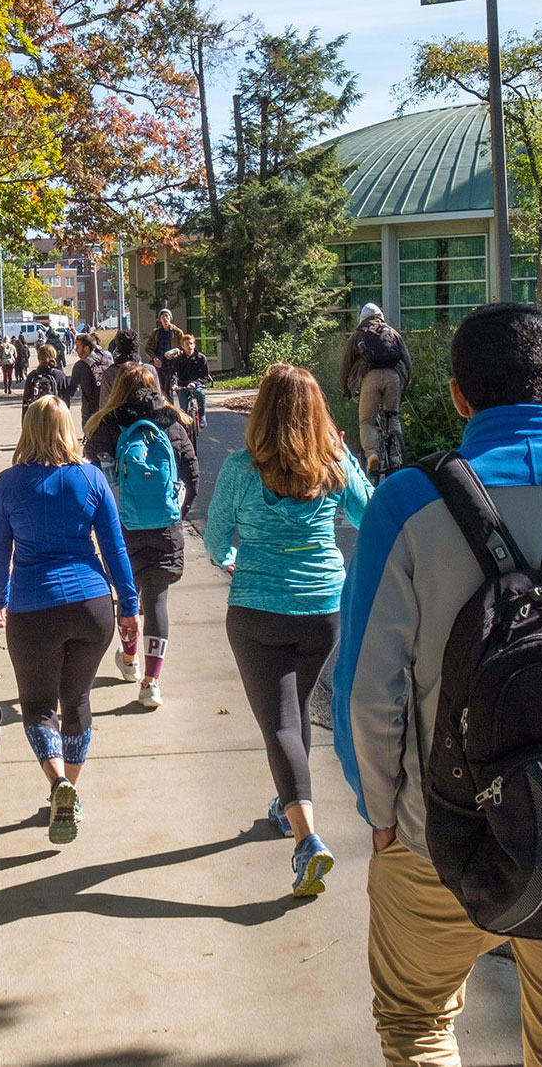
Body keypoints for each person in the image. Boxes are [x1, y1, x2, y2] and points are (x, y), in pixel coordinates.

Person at [333, 304, 542, 1067]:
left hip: (441, 834)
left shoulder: (409, 504)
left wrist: (383, 816)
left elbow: (366, 691)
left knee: (417, 1023)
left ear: (457, 396)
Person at [204, 364, 371, 897]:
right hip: (323, 609)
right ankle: (287, 801)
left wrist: (233, 558)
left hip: (257, 610)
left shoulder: (239, 469)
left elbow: (213, 542)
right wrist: (347, 457)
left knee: (278, 723)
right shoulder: (333, 462)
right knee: (294, 711)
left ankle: (308, 841)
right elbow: (370, 513)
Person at [0, 396, 139, 844]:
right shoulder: (90, 477)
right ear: (68, 428)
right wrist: (129, 605)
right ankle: (71, 787)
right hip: (92, 606)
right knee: (77, 701)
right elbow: (115, 548)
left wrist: (1, 596)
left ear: (27, 429)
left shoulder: (9, 483)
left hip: (34, 608)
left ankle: (58, 785)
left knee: (37, 707)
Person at [84, 365, 198, 708]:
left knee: (127, 595)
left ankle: (130, 659)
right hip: (164, 526)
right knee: (158, 601)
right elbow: (191, 473)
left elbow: (94, 478)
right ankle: (152, 681)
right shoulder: (170, 421)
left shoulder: (105, 426)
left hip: (122, 528)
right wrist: (177, 513)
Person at [340, 303, 413, 476]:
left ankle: (372, 454)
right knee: (392, 416)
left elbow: (345, 366)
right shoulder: (393, 333)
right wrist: (405, 383)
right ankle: (397, 455)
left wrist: (347, 390)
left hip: (370, 377)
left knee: (367, 421)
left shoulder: (358, 334)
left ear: (362, 319)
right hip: (393, 376)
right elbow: (407, 361)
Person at [66, 333, 112, 432]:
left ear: (86, 348)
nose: (75, 349)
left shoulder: (80, 366)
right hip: (110, 409)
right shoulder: (107, 357)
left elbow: (71, 391)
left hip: (90, 412)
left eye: (78, 346)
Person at [165, 333, 212, 425]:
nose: (189, 346)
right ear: (182, 346)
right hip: (183, 385)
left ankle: (202, 416)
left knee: (199, 393)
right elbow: (173, 373)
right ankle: (184, 423)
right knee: (183, 406)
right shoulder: (178, 359)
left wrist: (195, 383)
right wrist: (174, 384)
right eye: (186, 344)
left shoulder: (201, 358)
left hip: (197, 384)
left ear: (194, 344)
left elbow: (205, 376)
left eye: (191, 343)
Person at [101, 330, 160, 404]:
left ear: (117, 347)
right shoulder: (149, 370)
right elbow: (158, 400)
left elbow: (104, 403)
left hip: (119, 414)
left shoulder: (110, 373)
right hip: (146, 414)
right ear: (136, 346)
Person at [22, 344, 68, 416]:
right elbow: (65, 400)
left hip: (36, 415)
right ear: (54, 356)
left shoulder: (32, 376)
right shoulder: (60, 375)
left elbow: (26, 400)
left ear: (39, 358)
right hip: (54, 415)